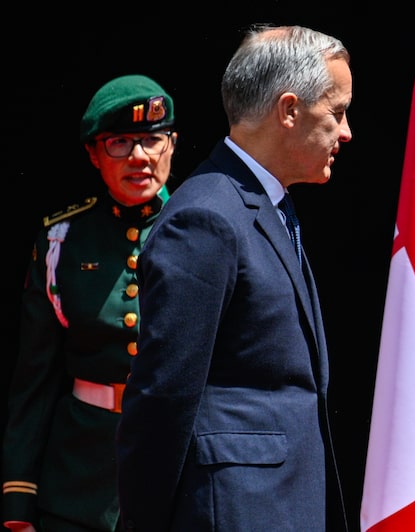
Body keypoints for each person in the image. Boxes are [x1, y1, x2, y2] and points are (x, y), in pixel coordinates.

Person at [115, 24, 352, 531]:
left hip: (280, 504)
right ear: (289, 110)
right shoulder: (206, 218)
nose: (347, 132)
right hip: (235, 511)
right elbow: (163, 396)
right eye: (337, 112)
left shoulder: (264, 204)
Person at [2, 74, 177, 532]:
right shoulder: (62, 240)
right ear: (93, 154)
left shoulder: (203, 229)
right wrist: (19, 500)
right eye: (119, 142)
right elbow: (34, 381)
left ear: (172, 146)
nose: (138, 157)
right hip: (80, 484)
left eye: (151, 140)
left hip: (178, 472)